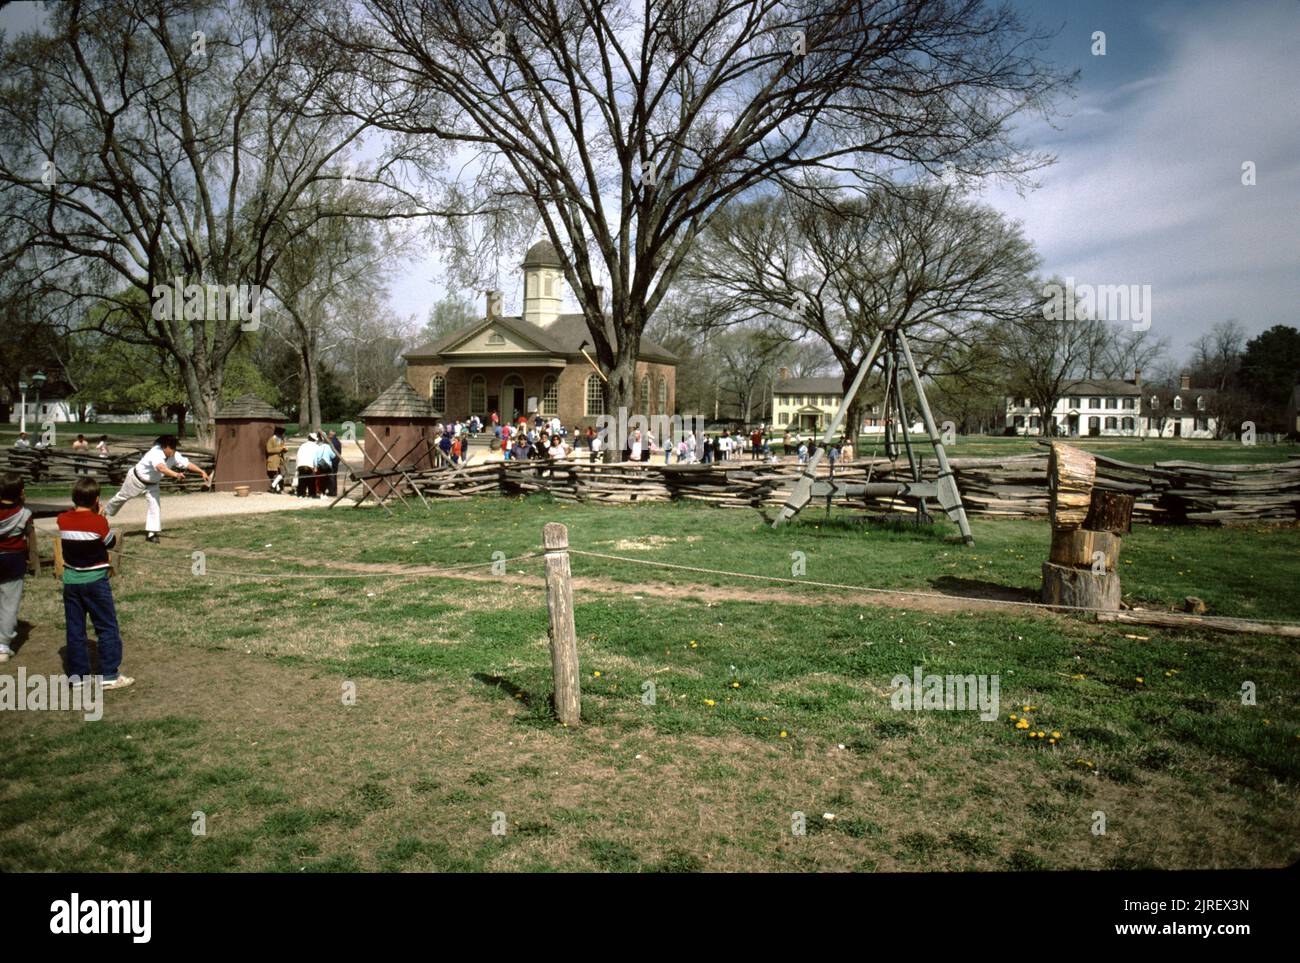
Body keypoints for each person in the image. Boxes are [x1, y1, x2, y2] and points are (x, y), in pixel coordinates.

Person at [59, 478, 132, 689]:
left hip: (71, 581)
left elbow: (73, 519)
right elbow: (110, 542)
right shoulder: (98, 522)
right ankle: (109, 674)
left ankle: (78, 676)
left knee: (75, 629)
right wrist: (101, 518)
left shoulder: (62, 519)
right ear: (97, 500)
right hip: (95, 581)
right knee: (106, 626)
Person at [104, 434, 208, 542]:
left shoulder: (174, 455)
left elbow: (187, 464)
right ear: (164, 446)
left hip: (153, 484)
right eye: (171, 447)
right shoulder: (155, 452)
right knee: (121, 498)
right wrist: (176, 475)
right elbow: (161, 468)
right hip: (136, 479)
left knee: (155, 505)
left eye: (175, 447)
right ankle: (103, 513)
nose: (173, 450)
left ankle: (151, 534)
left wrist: (201, 471)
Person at [0, 472, 33, 664]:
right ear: (21, 492)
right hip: (13, 561)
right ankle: (3, 644)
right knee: (9, 603)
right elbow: (30, 537)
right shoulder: (24, 514)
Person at [295, 432, 319, 497]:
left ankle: (301, 494)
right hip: (310, 465)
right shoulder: (316, 447)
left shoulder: (302, 445)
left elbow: (298, 456)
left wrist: (297, 466)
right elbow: (316, 458)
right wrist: (316, 467)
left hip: (301, 464)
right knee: (311, 481)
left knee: (302, 480)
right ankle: (312, 494)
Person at [266, 426, 288, 493]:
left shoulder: (281, 439)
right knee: (275, 474)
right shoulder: (271, 439)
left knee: (283, 473)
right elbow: (269, 450)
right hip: (273, 459)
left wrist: (284, 450)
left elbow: (281, 448)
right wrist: (280, 449)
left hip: (280, 460)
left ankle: (273, 486)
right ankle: (277, 489)